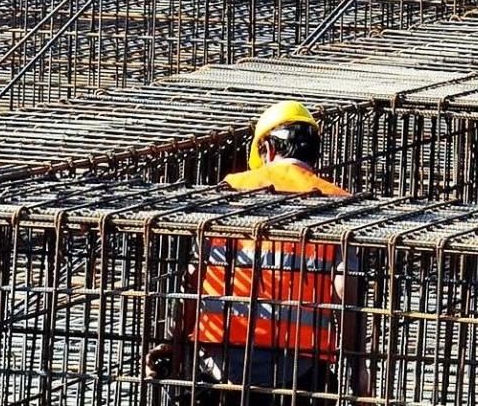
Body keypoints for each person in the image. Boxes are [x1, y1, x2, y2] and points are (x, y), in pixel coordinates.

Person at [144, 102, 368, 404]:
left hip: (218, 364)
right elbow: (346, 290)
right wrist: (357, 369)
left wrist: (175, 344)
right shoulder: (337, 203)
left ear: (269, 149)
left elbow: (193, 279)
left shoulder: (229, 192)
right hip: (299, 372)